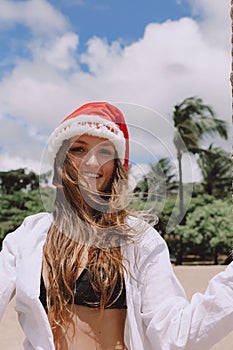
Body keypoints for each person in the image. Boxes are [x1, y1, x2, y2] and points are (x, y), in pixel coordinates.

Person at [0, 101, 233, 350]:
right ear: (61, 159)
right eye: (78, 149)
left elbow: (176, 335)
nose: (91, 162)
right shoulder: (28, 236)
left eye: (104, 152)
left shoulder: (139, 239)